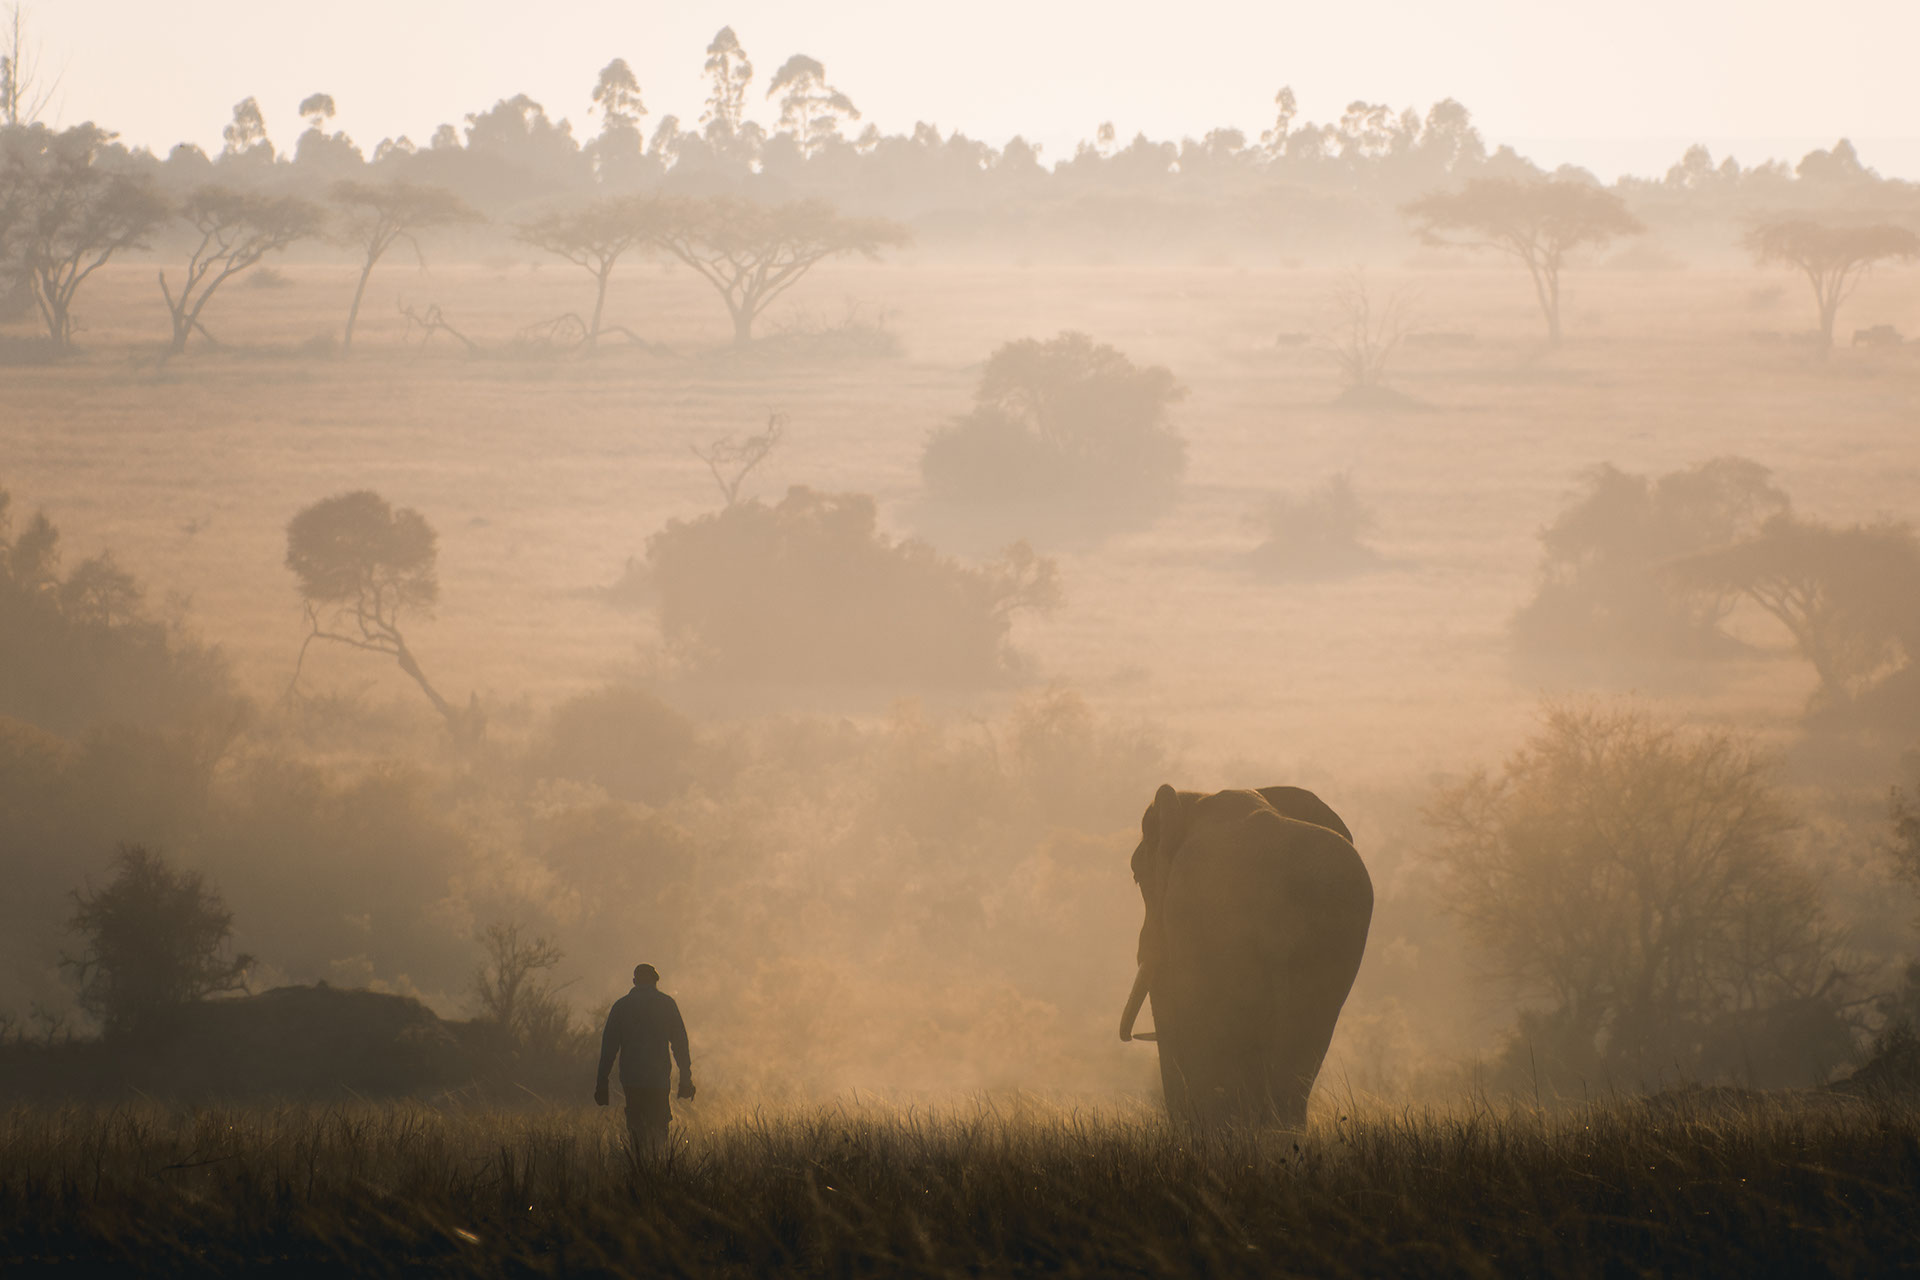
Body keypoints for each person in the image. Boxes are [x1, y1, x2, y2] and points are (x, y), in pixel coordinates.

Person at [595, 963, 694, 1151]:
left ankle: (639, 1168)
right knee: (659, 1128)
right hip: (658, 1080)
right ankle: (658, 1167)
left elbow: (608, 1048)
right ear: (655, 981)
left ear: (634, 981)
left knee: (636, 1128)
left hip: (633, 1080)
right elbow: (680, 1045)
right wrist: (686, 1078)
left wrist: (602, 1082)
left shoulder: (621, 1006)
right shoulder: (666, 1004)